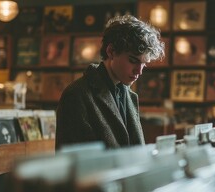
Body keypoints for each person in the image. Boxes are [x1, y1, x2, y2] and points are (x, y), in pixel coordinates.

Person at [56, 15, 165, 149]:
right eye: (133, 60)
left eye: (144, 64)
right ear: (111, 51)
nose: (139, 71)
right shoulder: (76, 94)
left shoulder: (129, 95)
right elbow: (75, 161)